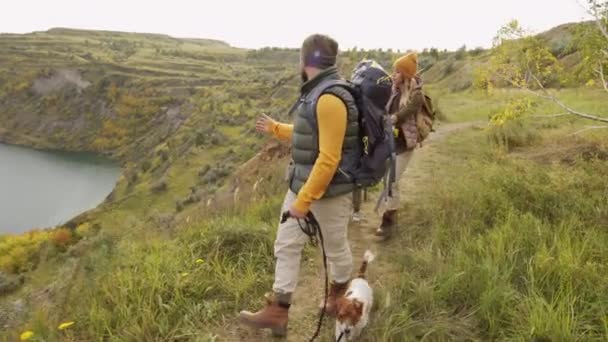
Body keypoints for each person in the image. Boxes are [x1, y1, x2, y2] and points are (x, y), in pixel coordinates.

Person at [239, 34, 360, 337]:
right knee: (286, 244)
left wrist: (303, 201)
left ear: (308, 61)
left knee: (335, 249)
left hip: (331, 193)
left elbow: (329, 158)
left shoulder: (331, 97)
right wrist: (277, 129)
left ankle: (337, 295)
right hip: (303, 186)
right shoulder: (316, 93)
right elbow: (309, 133)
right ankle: (278, 311)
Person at [376, 52, 424, 240]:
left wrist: (394, 118)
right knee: (388, 180)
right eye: (393, 71)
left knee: (391, 181)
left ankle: (388, 222)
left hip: (405, 144)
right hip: (390, 143)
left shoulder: (416, 92)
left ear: (405, 74)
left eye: (397, 72)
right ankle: (391, 213)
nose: (393, 74)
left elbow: (409, 110)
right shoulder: (393, 90)